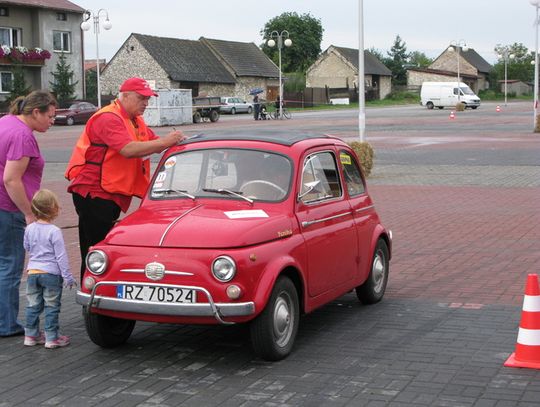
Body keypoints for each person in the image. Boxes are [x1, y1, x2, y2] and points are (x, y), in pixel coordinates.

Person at [65, 77, 186, 283]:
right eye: (142, 98)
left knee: (100, 249)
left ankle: (98, 291)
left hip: (109, 193)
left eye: (148, 99)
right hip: (95, 193)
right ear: (126, 96)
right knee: (98, 251)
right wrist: (166, 142)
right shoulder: (109, 118)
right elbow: (128, 149)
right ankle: (94, 297)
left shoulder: (133, 119)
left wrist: (176, 143)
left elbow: (153, 141)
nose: (146, 103)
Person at [0, 90, 57, 338]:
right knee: (10, 267)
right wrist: (29, 213)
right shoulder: (23, 135)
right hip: (9, 208)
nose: (53, 121)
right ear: (36, 112)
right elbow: (11, 180)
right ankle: (6, 324)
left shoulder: (5, 121)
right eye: (51, 116)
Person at [23, 189, 76, 349]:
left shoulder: (29, 228)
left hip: (33, 273)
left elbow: (26, 246)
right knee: (51, 306)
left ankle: (30, 335)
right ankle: (52, 337)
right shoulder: (54, 231)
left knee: (33, 305)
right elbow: (61, 257)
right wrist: (68, 277)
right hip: (51, 274)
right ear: (54, 209)